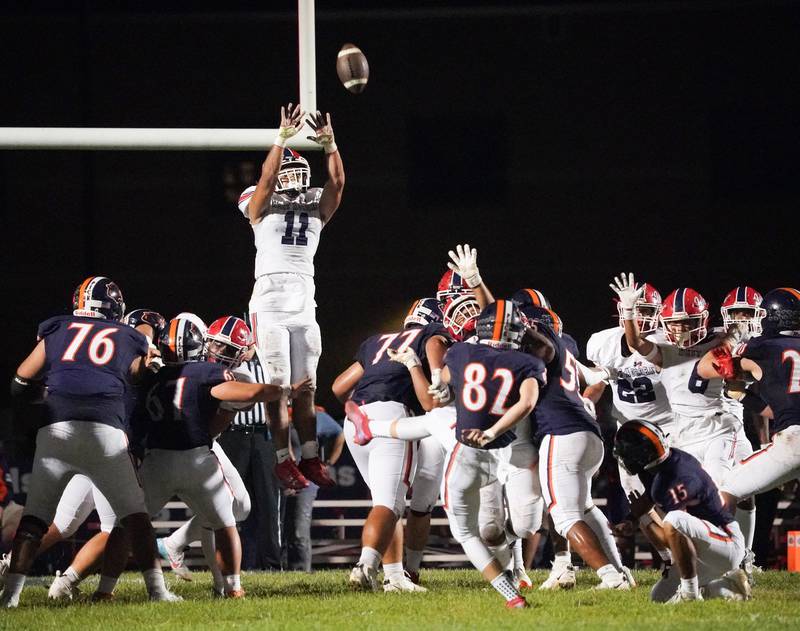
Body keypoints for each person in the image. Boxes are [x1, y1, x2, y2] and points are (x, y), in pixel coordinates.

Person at [1, 277, 178, 607]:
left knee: (35, 519)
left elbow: (20, 382)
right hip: (104, 432)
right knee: (135, 518)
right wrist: (149, 362)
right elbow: (138, 370)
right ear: (114, 308)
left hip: (57, 429)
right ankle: (157, 591)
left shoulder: (56, 329)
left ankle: (10, 597)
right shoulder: (126, 334)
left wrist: (54, 394)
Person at [238, 103, 344, 491]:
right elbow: (265, 181)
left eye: (302, 173)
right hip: (269, 297)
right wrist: (280, 140)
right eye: (290, 173)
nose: (297, 181)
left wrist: (331, 147)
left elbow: (338, 185)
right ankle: (283, 458)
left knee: (307, 385)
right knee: (278, 385)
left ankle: (311, 455)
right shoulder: (260, 204)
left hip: (304, 294)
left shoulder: (315, 207)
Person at [610, 274, 757, 552]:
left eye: (688, 322)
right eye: (675, 323)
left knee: (720, 492)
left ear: (702, 319)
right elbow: (635, 344)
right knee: (677, 499)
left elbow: (741, 365)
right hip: (681, 433)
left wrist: (738, 347)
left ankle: (739, 556)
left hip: (717, 429)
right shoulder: (665, 348)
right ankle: (707, 559)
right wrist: (629, 311)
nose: (681, 329)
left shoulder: (719, 340)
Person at [333, 298, 449, 593]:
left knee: (386, 502)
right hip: (393, 416)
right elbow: (430, 401)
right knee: (390, 504)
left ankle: (395, 577)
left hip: (357, 420)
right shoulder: (432, 335)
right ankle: (365, 566)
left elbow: (338, 387)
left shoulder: (378, 340)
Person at [522, 305, 633, 590]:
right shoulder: (565, 348)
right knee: (584, 507)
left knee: (563, 515)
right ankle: (620, 570)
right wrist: (607, 371)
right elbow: (594, 377)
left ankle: (610, 577)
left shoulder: (537, 350)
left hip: (560, 434)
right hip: (589, 433)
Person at [614, 419, 750, 602]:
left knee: (674, 520)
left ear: (640, 455)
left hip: (725, 542)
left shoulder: (677, 477)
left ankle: (690, 593)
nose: (623, 459)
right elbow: (650, 498)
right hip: (706, 542)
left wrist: (645, 521)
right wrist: (631, 519)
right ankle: (727, 587)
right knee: (658, 597)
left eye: (626, 454)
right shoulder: (660, 464)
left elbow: (675, 536)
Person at [696, 288, 800, 520]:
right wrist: (743, 396)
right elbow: (781, 410)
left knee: (724, 491)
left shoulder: (764, 348)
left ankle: (728, 553)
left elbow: (705, 367)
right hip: (793, 431)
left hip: (794, 442)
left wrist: (733, 337)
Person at [215, 346, 283, 571]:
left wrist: (285, 448)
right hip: (232, 434)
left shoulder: (267, 358)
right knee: (229, 501)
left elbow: (278, 399)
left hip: (263, 435)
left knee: (268, 503)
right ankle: (232, 564)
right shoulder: (224, 361)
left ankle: (272, 565)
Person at [283, 408, 344, 572]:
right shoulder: (272, 410)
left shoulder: (315, 414)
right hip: (278, 479)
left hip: (304, 482)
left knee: (298, 528)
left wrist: (328, 462)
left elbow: (340, 434)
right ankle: (275, 570)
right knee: (277, 528)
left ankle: (300, 571)